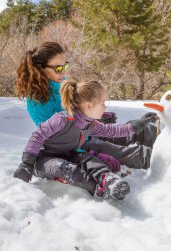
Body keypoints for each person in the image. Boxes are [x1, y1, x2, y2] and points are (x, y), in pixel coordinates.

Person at [14, 80, 156, 200]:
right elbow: (37, 136)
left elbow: (113, 130)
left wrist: (136, 126)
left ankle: (108, 179)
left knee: (89, 159)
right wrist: (26, 164)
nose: (105, 106)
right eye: (102, 103)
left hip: (69, 154)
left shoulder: (90, 124)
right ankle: (97, 189)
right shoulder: (62, 119)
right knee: (66, 168)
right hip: (43, 160)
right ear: (89, 106)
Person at [15, 41, 159, 148]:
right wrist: (88, 121)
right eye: (58, 68)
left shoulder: (61, 83)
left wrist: (93, 115)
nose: (64, 72)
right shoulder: (38, 100)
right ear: (40, 69)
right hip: (72, 146)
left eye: (65, 66)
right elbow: (55, 135)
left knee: (143, 131)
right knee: (123, 151)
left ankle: (168, 144)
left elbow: (76, 107)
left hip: (88, 132)